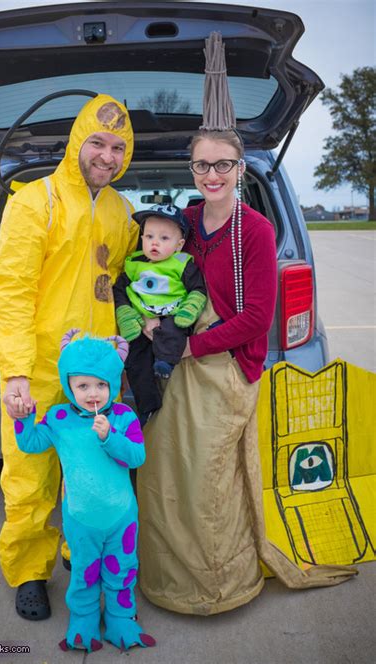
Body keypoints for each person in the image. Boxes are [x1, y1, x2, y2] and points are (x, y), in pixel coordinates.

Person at [137, 32, 356, 616]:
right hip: (175, 368)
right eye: (203, 165)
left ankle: (216, 585)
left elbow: (258, 317)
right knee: (166, 474)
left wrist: (191, 349)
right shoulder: (180, 223)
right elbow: (144, 269)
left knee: (210, 478)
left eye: (224, 165)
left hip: (225, 367)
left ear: (239, 168)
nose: (213, 175)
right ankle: (166, 575)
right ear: (192, 167)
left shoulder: (255, 230)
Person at [0, 94, 139, 620]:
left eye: (118, 147)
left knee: (90, 473)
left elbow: (118, 275)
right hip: (38, 367)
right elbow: (9, 293)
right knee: (29, 476)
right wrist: (16, 373)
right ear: (78, 141)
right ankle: (30, 571)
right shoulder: (36, 201)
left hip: (93, 376)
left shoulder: (120, 209)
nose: (107, 155)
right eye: (97, 142)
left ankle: (79, 556)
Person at [13, 331, 155, 652]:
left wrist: (110, 438)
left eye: (102, 385)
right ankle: (83, 620)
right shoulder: (60, 418)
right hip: (80, 519)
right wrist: (24, 419)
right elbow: (31, 443)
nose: (94, 394)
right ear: (68, 384)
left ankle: (120, 618)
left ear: (113, 384)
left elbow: (137, 456)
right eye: (83, 386)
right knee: (84, 572)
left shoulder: (122, 416)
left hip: (122, 518)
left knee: (122, 570)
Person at [113, 204, 206, 422]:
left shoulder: (182, 264)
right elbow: (119, 290)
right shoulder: (134, 264)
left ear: (179, 245)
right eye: (149, 236)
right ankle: (148, 406)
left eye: (164, 238)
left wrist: (189, 309)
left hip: (172, 313)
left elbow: (198, 290)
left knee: (174, 329)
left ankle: (165, 361)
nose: (155, 243)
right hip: (140, 316)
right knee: (136, 361)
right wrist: (126, 313)